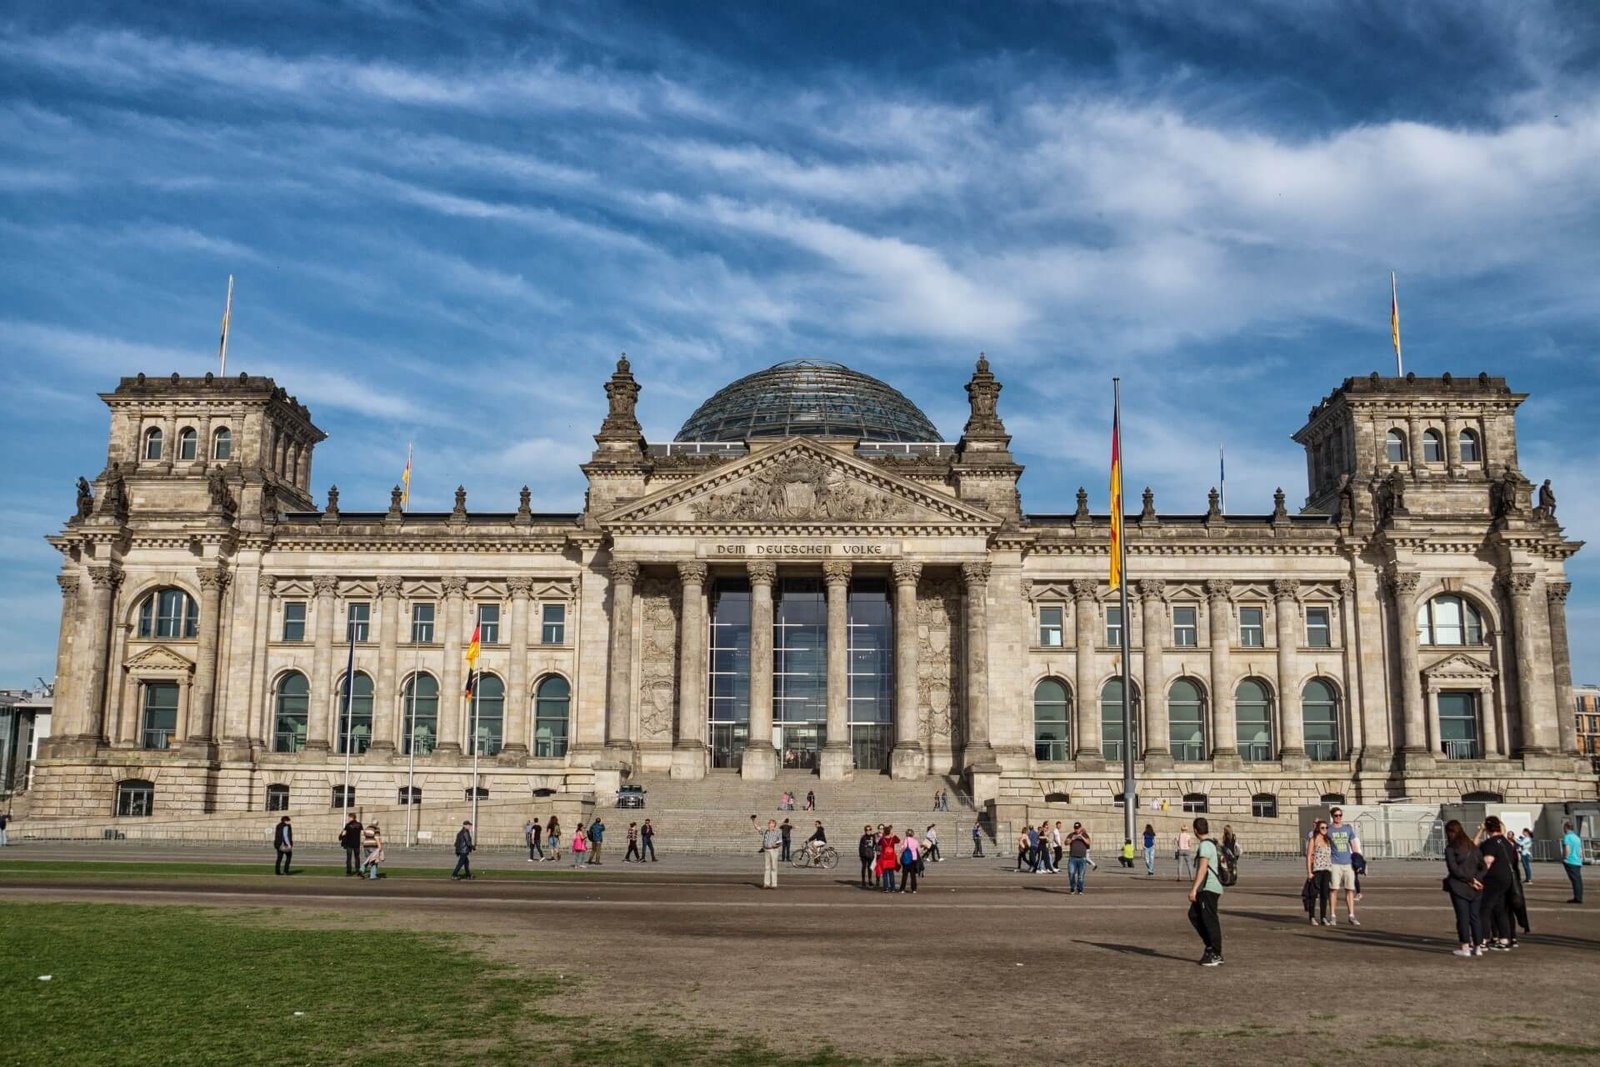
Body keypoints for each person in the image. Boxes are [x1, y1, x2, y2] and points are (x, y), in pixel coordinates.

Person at [1443, 818, 1488, 957]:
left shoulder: (1451, 849)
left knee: (1462, 917)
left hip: (1459, 886)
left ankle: (1465, 946)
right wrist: (1477, 879)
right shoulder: (1473, 847)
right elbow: (1483, 866)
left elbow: (1454, 869)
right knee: (1475, 917)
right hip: (1476, 888)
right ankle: (1478, 946)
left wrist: (1470, 880)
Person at [1188, 817, 1225, 966]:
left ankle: (1215, 952)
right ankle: (1210, 946)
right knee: (1194, 914)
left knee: (1210, 920)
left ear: (1195, 831)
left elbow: (1202, 869)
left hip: (1208, 887)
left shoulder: (1205, 846)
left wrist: (1194, 889)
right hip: (1210, 887)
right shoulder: (1212, 843)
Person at [1479, 816, 1518, 951]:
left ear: (1487, 828)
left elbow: (1488, 861)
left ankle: (1483, 940)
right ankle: (1504, 939)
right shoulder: (1507, 842)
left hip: (1493, 879)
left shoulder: (1490, 843)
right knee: (1501, 909)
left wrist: (1478, 877)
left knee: (1484, 909)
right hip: (1507, 879)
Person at [1325, 806, 1362, 925]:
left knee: (1350, 890)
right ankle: (1332, 915)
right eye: (1336, 815)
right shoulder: (1328, 829)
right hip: (1335, 863)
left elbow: (1354, 846)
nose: (1338, 817)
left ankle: (1351, 915)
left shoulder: (1347, 829)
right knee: (1333, 890)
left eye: (1340, 815)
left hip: (1348, 863)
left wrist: (1357, 862)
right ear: (1332, 816)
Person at [1306, 819, 1333, 926]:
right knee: (1313, 894)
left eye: (1326, 828)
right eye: (1322, 828)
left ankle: (1323, 917)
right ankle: (1312, 917)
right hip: (1316, 869)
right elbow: (1309, 856)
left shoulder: (1328, 840)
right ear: (1318, 828)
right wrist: (1309, 872)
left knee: (1324, 895)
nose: (1325, 829)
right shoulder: (1313, 839)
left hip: (1327, 870)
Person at [753, 815, 782, 889]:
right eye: (768, 823)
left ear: (774, 825)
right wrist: (753, 820)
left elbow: (780, 841)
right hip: (766, 850)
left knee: (774, 867)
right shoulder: (765, 831)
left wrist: (775, 845)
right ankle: (766, 884)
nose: (769, 825)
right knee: (767, 867)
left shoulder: (778, 832)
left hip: (773, 850)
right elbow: (757, 828)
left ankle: (774, 884)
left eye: (770, 823)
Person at [1561, 821, 1584, 904]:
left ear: (1566, 828)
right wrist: (1580, 858)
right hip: (1577, 861)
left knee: (1574, 880)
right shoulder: (1577, 838)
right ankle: (1579, 896)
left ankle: (1577, 898)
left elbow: (1567, 849)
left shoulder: (1567, 837)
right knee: (1578, 880)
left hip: (1570, 861)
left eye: (1564, 827)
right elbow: (1580, 850)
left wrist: (1564, 857)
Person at [1066, 823, 1092, 894]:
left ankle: (1080, 889)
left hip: (1082, 858)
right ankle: (1072, 888)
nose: (1076, 830)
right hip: (1072, 858)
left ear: (1080, 828)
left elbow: (1088, 842)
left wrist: (1082, 837)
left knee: (1081, 875)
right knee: (1071, 873)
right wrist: (1072, 839)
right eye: (1075, 828)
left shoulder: (1085, 834)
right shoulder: (1071, 834)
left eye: (1078, 828)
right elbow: (1066, 842)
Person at [877, 825, 901, 893]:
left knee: (885, 873)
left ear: (884, 832)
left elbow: (878, 844)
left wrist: (883, 836)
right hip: (891, 859)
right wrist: (894, 835)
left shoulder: (882, 839)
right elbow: (898, 840)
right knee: (891, 873)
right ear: (890, 832)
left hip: (884, 859)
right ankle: (893, 888)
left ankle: (886, 888)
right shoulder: (893, 839)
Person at [900, 827, 921, 893]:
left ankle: (902, 889)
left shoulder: (906, 839)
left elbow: (904, 847)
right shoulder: (915, 841)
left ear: (906, 834)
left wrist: (901, 849)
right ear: (912, 834)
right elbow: (919, 850)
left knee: (905, 875)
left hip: (907, 859)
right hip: (914, 859)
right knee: (913, 875)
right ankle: (914, 889)